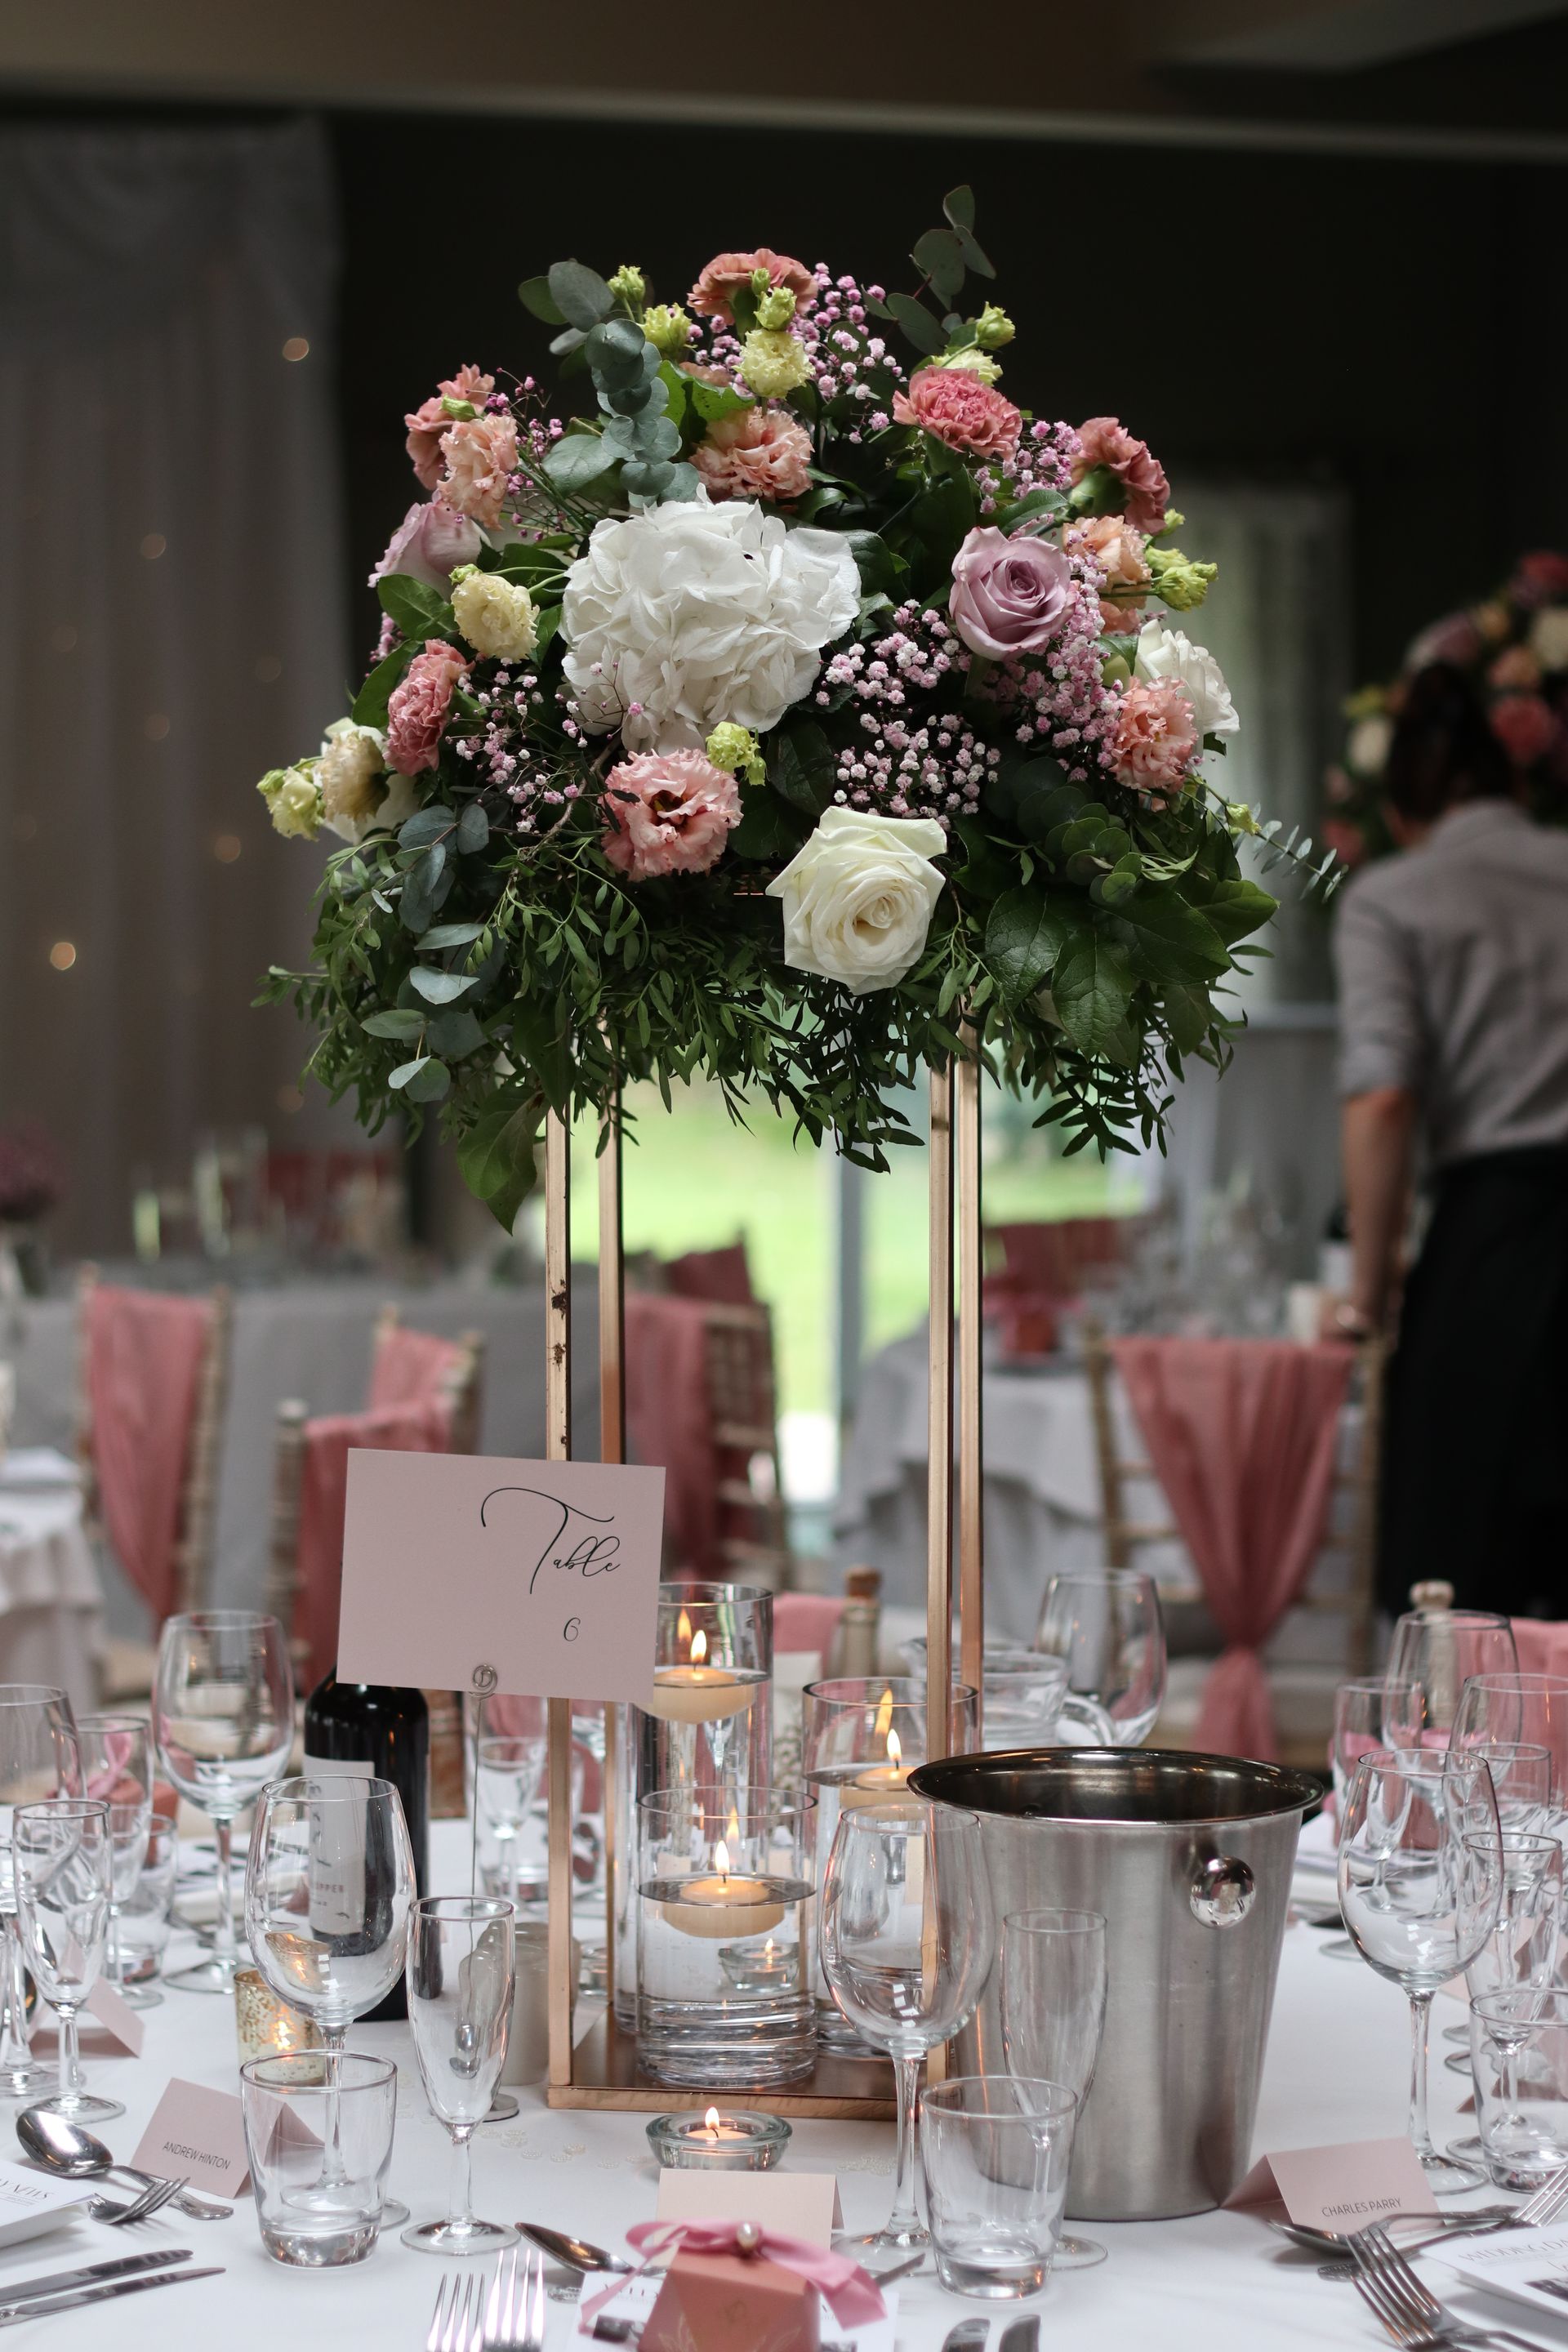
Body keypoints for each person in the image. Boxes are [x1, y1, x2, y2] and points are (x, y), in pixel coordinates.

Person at [1331, 662, 1568, 1618]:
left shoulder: (1394, 896)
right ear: (1516, 784)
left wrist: (1371, 1289)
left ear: (1399, 812)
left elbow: (1384, 1098)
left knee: (1469, 1602)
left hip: (1495, 1253)